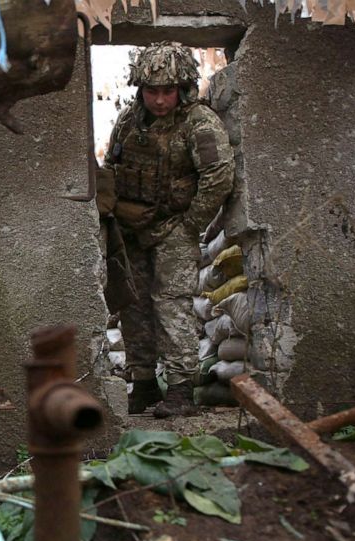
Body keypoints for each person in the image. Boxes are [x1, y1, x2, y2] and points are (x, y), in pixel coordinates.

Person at [101, 42, 235, 418]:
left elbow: (219, 175)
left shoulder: (199, 122)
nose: (160, 100)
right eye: (152, 91)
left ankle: (179, 389)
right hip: (132, 228)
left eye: (168, 91)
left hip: (175, 226)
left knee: (171, 303)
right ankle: (142, 384)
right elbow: (112, 166)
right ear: (140, 89)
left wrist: (191, 223)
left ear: (183, 88)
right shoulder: (129, 121)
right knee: (134, 304)